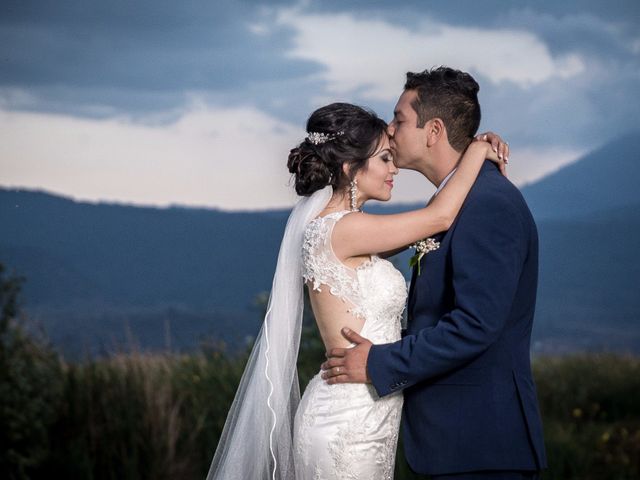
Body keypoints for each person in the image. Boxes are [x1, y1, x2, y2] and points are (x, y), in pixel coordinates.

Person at [206, 99, 506, 479]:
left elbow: (429, 219)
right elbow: (440, 217)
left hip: (364, 412)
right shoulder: (344, 229)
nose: (393, 168)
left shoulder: (341, 227)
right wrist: (476, 151)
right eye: (384, 159)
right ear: (351, 168)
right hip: (347, 422)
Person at [321, 67, 547, 479]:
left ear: (434, 130)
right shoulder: (454, 204)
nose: (389, 132)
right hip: (450, 442)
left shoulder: (488, 204)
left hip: (480, 446)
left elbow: (475, 325)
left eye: (400, 119)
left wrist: (378, 362)